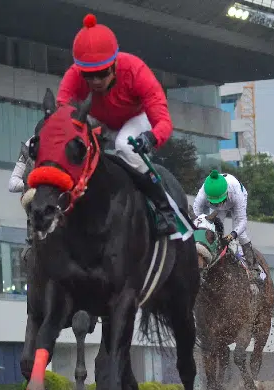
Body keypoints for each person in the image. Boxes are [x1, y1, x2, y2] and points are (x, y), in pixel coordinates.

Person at [20, 13, 178, 237]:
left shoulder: (136, 70)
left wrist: (151, 138)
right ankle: (43, 205)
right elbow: (63, 120)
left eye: (102, 73)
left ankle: (163, 208)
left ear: (114, 64)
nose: (95, 81)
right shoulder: (72, 77)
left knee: (124, 144)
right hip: (98, 124)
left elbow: (163, 121)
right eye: (88, 75)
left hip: (134, 121)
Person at [192, 170, 263, 284]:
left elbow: (242, 222)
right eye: (215, 202)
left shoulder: (236, 193)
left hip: (235, 199)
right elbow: (197, 217)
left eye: (220, 201)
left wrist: (231, 236)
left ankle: (254, 270)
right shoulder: (203, 193)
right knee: (212, 230)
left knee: (242, 236)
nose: (219, 205)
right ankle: (203, 266)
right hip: (218, 206)